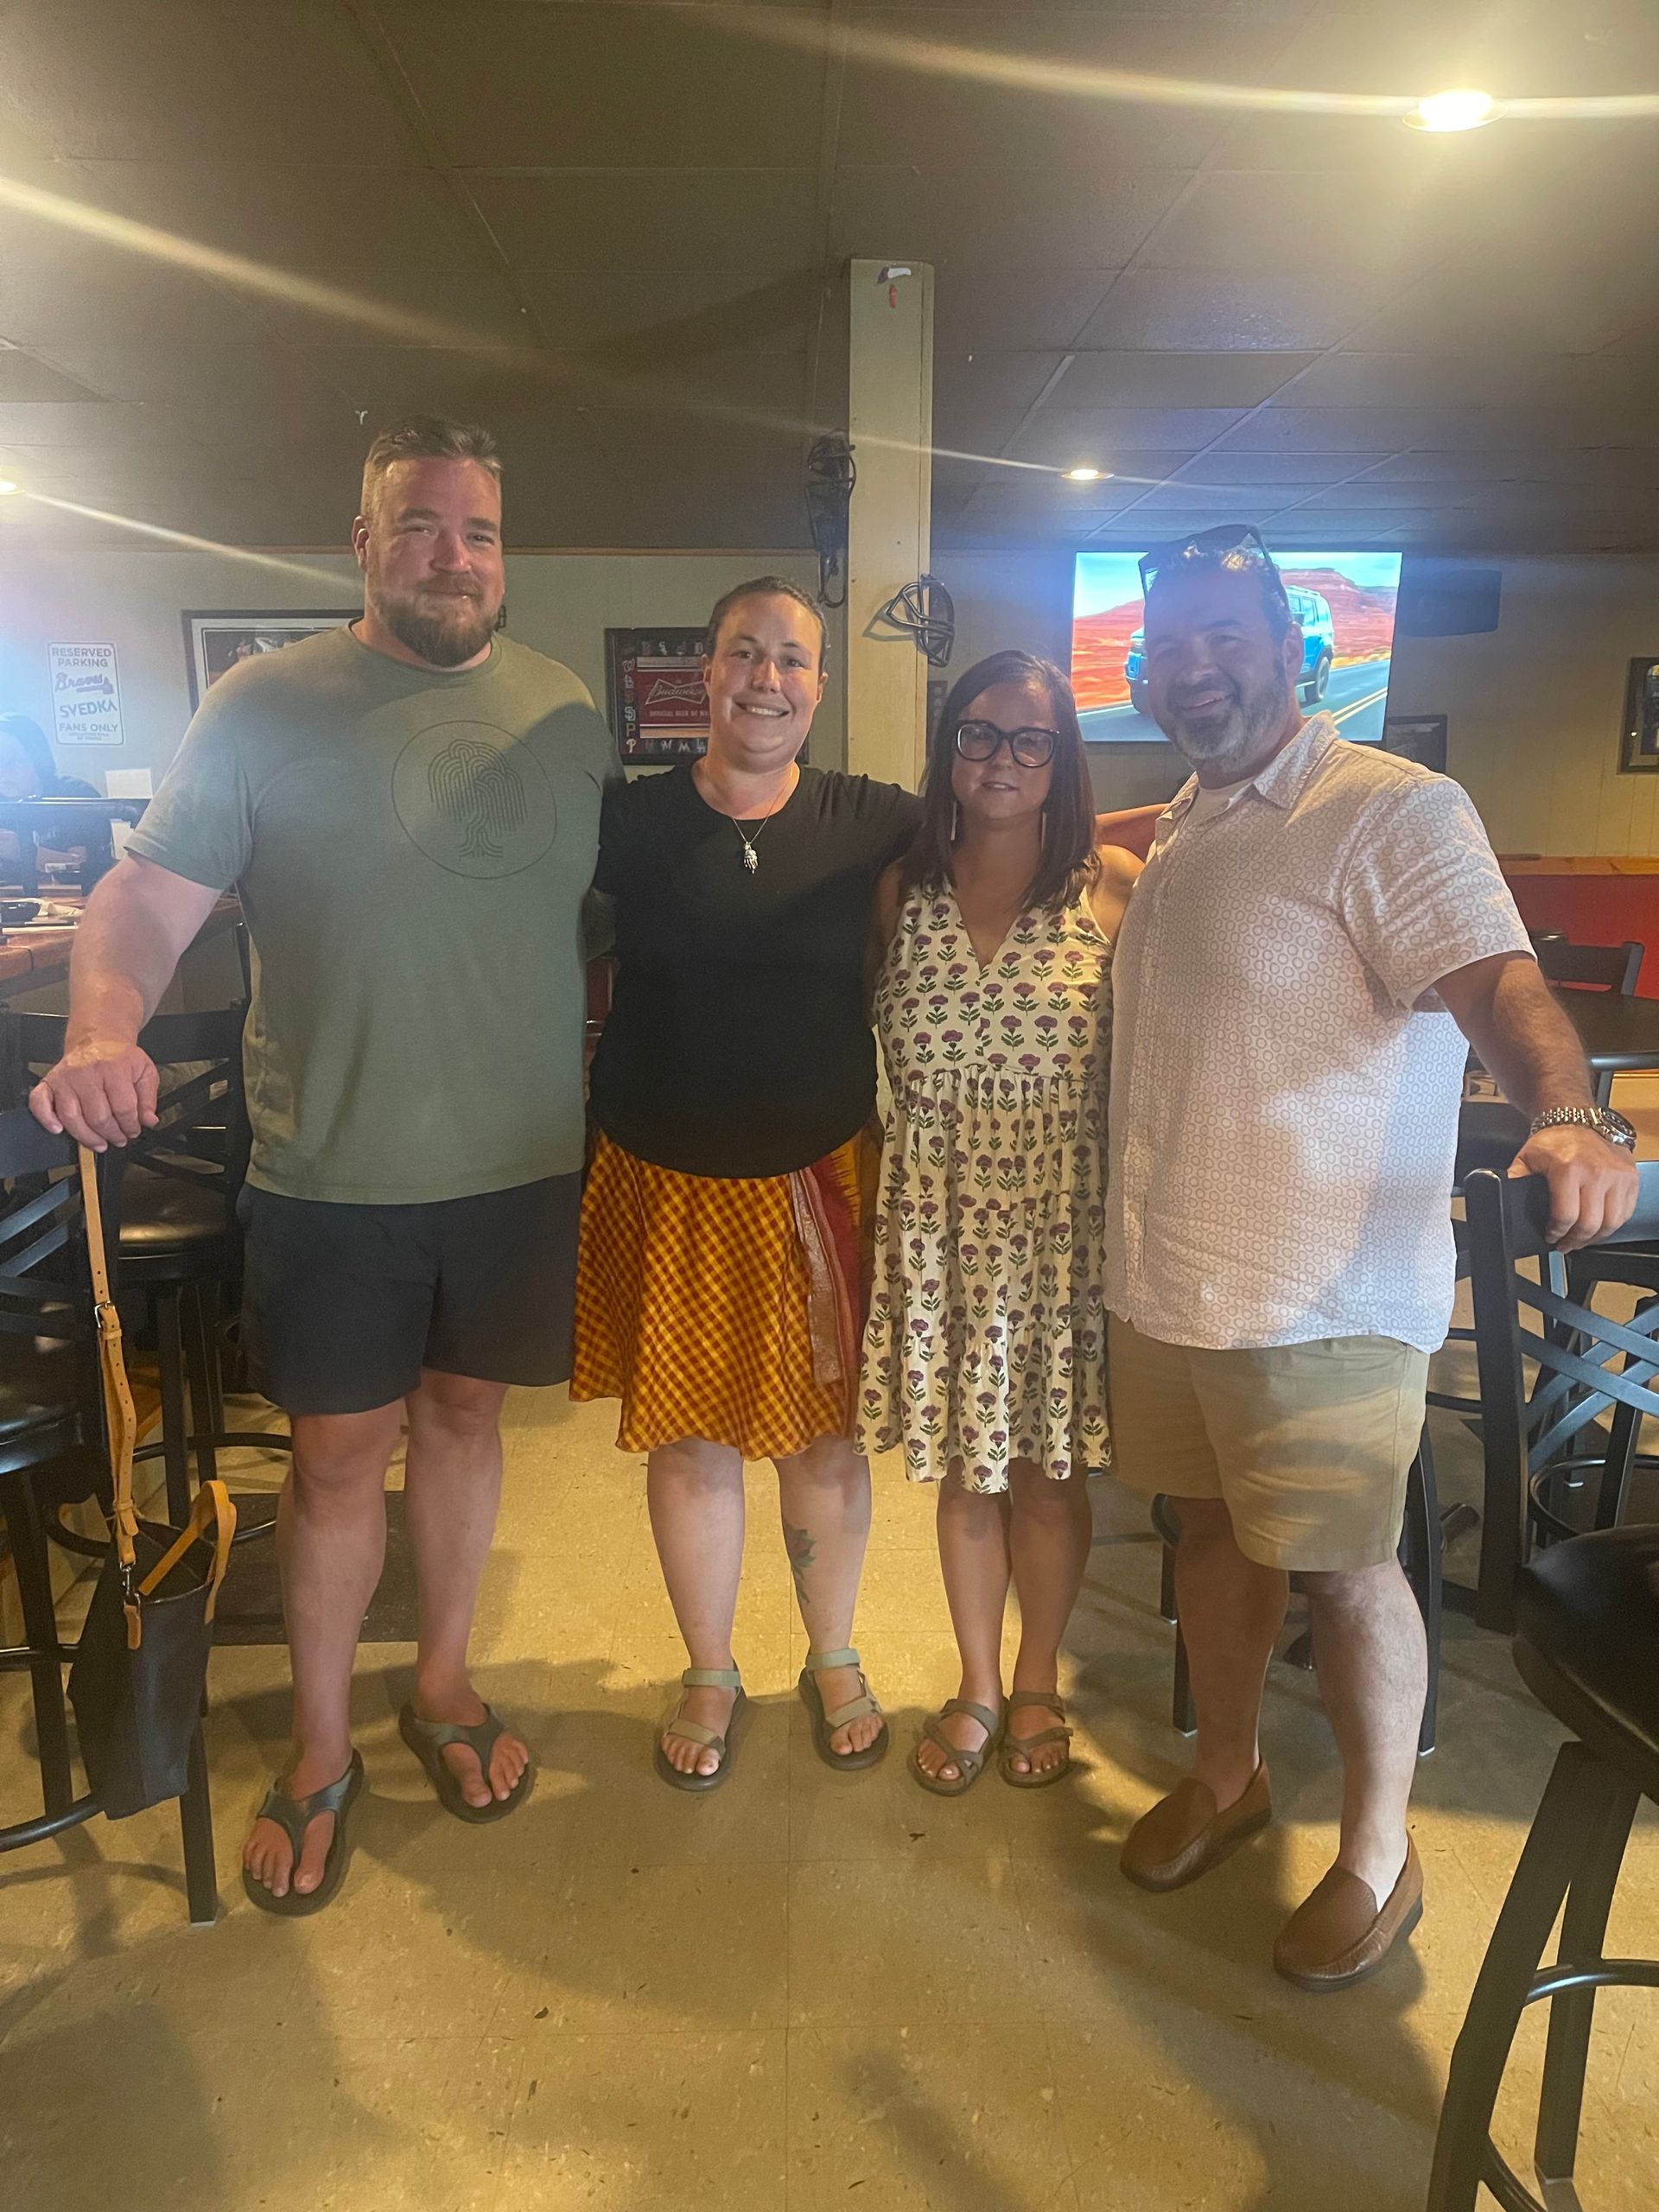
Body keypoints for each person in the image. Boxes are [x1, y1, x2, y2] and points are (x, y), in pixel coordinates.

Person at [29, 415, 618, 1913]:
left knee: (467, 1425)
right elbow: (144, 897)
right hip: (338, 1171)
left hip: (519, 1165)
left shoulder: (564, 710)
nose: (453, 555)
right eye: (420, 525)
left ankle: (443, 1682)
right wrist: (99, 1026)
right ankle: (317, 1744)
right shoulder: (260, 705)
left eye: (479, 531)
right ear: (363, 544)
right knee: (339, 1460)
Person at [1105, 526, 1638, 1990]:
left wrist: (1572, 1113)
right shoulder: (1191, 822)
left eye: (1227, 636)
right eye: (1172, 645)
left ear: (1294, 645)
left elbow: (1500, 982)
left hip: (1320, 1292)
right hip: (1172, 1278)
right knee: (1208, 1538)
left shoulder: (1389, 806)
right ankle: (1228, 1778)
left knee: (1346, 1574)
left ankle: (1380, 1855)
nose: (1196, 667)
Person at [572, 576, 920, 1789]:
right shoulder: (628, 821)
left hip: (815, 1177)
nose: (767, 678)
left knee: (822, 1441)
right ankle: (709, 1669)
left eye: (791, 659)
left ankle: (833, 1653)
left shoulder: (870, 816)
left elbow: (1016, 832)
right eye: (744, 653)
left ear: (819, 687)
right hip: (661, 1176)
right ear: (707, 673)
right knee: (690, 1441)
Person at [858, 652, 1141, 1794]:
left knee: (1048, 1474)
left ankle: (1036, 1680)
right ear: (949, 749)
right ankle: (977, 1681)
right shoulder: (899, 891)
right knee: (967, 1476)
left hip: (1061, 1228)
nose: (1002, 759)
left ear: (1064, 761)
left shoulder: (1111, 887)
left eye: (1032, 740)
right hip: (935, 1225)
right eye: (978, 734)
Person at [0, 711, 100, 878]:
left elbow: (86, 867)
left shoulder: (75, 795)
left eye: (15, 761)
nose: (3, 771)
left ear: (38, 761)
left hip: (73, 895)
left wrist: (25, 852)